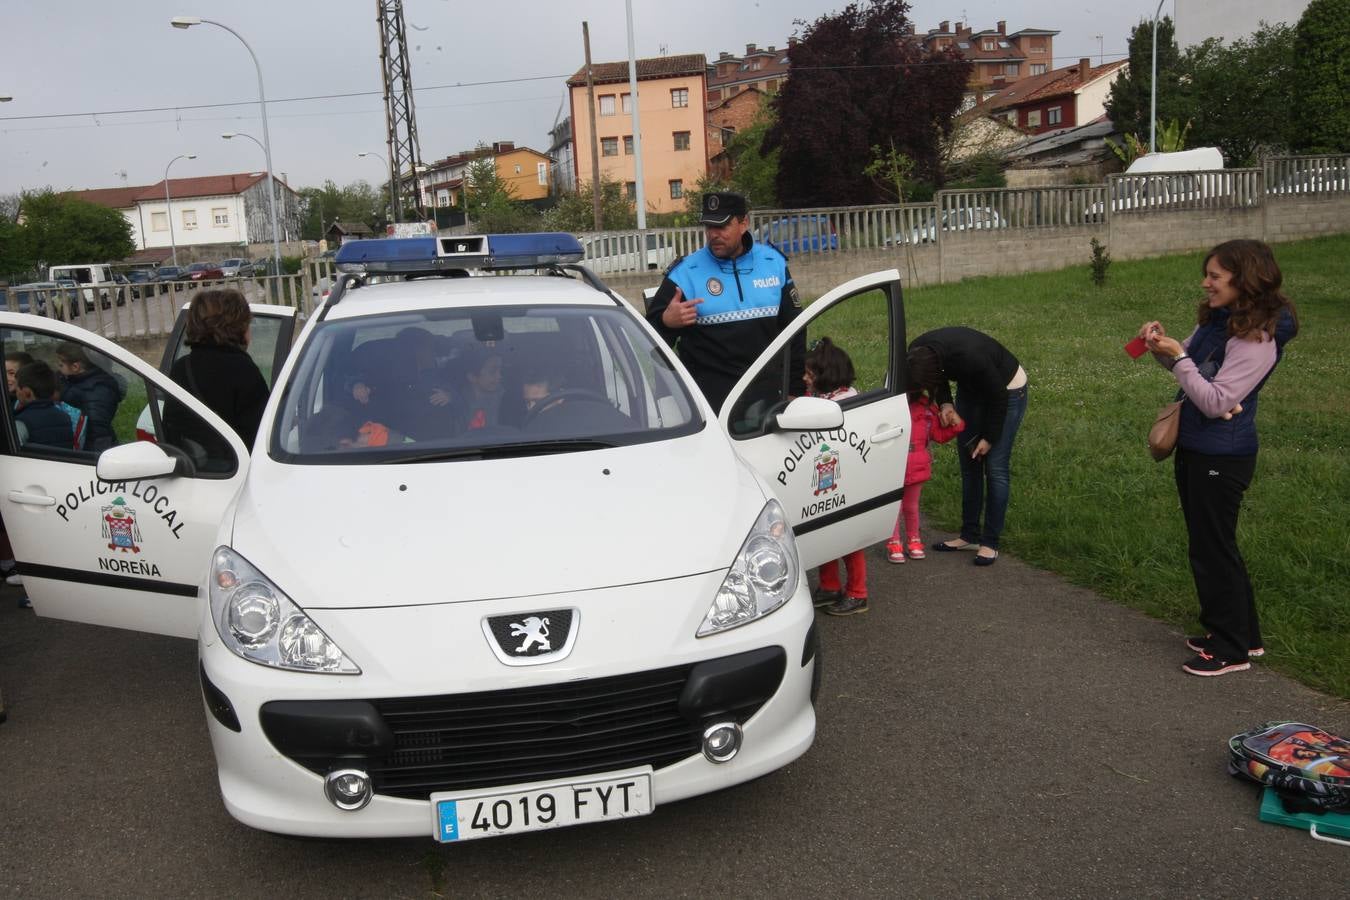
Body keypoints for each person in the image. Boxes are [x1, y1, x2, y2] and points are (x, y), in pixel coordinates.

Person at [1139, 239, 1298, 677]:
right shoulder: (1220, 321)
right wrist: (1162, 349)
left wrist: (1182, 357)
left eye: (1215, 276)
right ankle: (1244, 634)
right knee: (1212, 544)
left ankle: (1230, 650)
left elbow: (1214, 401)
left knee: (1212, 550)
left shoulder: (1258, 338)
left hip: (1222, 453)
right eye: (1206, 274)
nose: (1205, 283)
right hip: (1196, 445)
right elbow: (1186, 372)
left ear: (1243, 279)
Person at [645, 191, 805, 413]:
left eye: (721, 226)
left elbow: (795, 331)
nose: (713, 235)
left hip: (767, 395)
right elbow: (649, 341)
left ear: (744, 223)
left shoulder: (773, 263)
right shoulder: (685, 273)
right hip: (709, 402)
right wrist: (665, 321)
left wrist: (794, 388)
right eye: (709, 227)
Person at [907, 327, 1027, 566]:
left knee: (995, 467)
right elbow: (938, 379)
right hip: (971, 386)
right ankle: (969, 536)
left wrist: (989, 438)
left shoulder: (971, 357)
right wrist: (945, 404)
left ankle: (990, 542)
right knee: (969, 460)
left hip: (1007, 390)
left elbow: (998, 397)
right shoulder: (917, 352)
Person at [802, 338, 869, 617]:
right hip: (825, 479)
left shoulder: (845, 403)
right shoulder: (824, 398)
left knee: (849, 540)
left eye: (810, 374)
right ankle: (829, 585)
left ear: (825, 377)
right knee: (826, 534)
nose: (805, 378)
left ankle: (858, 592)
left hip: (844, 481)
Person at [165, 289, 270, 446]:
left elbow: (172, 429)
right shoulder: (243, 370)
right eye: (248, 324)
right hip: (236, 466)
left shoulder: (181, 368)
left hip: (193, 466)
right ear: (239, 327)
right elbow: (261, 434)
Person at [886, 381, 965, 564]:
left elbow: (938, 435)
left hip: (916, 464)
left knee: (911, 506)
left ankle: (914, 540)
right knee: (895, 507)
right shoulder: (891, 408)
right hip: (896, 464)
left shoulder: (927, 410)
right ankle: (894, 542)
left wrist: (956, 425)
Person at [55, 342, 123, 451]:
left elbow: (98, 434)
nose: (58, 368)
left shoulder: (96, 393)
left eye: (61, 365)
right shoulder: (73, 380)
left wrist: (87, 460)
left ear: (75, 367)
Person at [14, 360, 75, 447]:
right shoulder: (65, 417)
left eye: (17, 389)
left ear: (27, 392)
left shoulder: (22, 423)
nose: (15, 393)